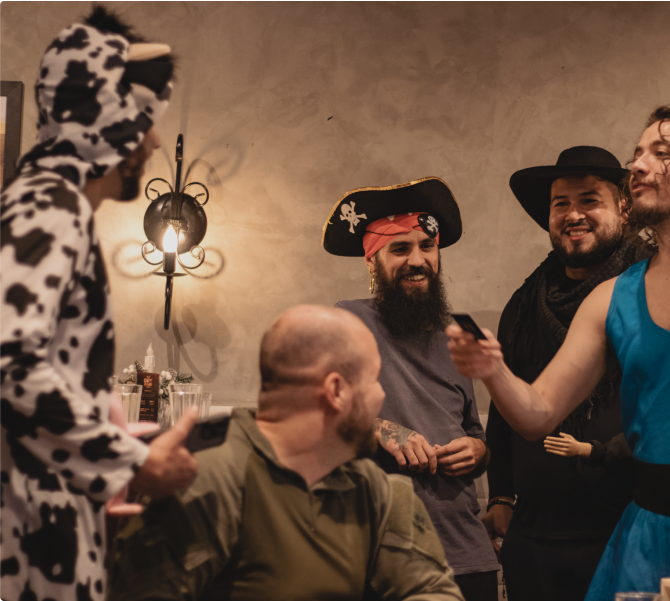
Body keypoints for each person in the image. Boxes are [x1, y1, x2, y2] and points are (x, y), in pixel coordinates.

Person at [447, 102, 670, 598]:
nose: (638, 165)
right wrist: (493, 371)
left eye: (660, 152)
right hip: (642, 543)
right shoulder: (611, 299)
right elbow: (538, 414)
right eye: (636, 153)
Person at [0, 8, 198, 601]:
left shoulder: (48, 203)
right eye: (145, 121)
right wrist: (127, 463)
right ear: (106, 120)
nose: (155, 139)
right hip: (29, 552)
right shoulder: (49, 204)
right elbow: (8, 359)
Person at [107, 305, 463, 601]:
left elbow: (432, 590)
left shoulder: (375, 489)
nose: (380, 398)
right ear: (336, 390)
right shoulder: (205, 475)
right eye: (373, 380)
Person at [322, 177, 499, 600]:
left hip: (467, 554)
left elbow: (475, 433)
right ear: (371, 260)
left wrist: (479, 451)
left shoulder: (461, 331)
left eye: (427, 246)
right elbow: (313, 417)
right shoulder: (345, 322)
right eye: (399, 249)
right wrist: (382, 429)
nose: (417, 260)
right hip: (381, 555)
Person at [484, 147, 648, 600]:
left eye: (590, 200)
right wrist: (500, 494)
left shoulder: (653, 291)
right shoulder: (524, 302)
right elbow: (505, 403)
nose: (573, 214)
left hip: (629, 528)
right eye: (561, 204)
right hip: (536, 538)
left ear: (624, 207)